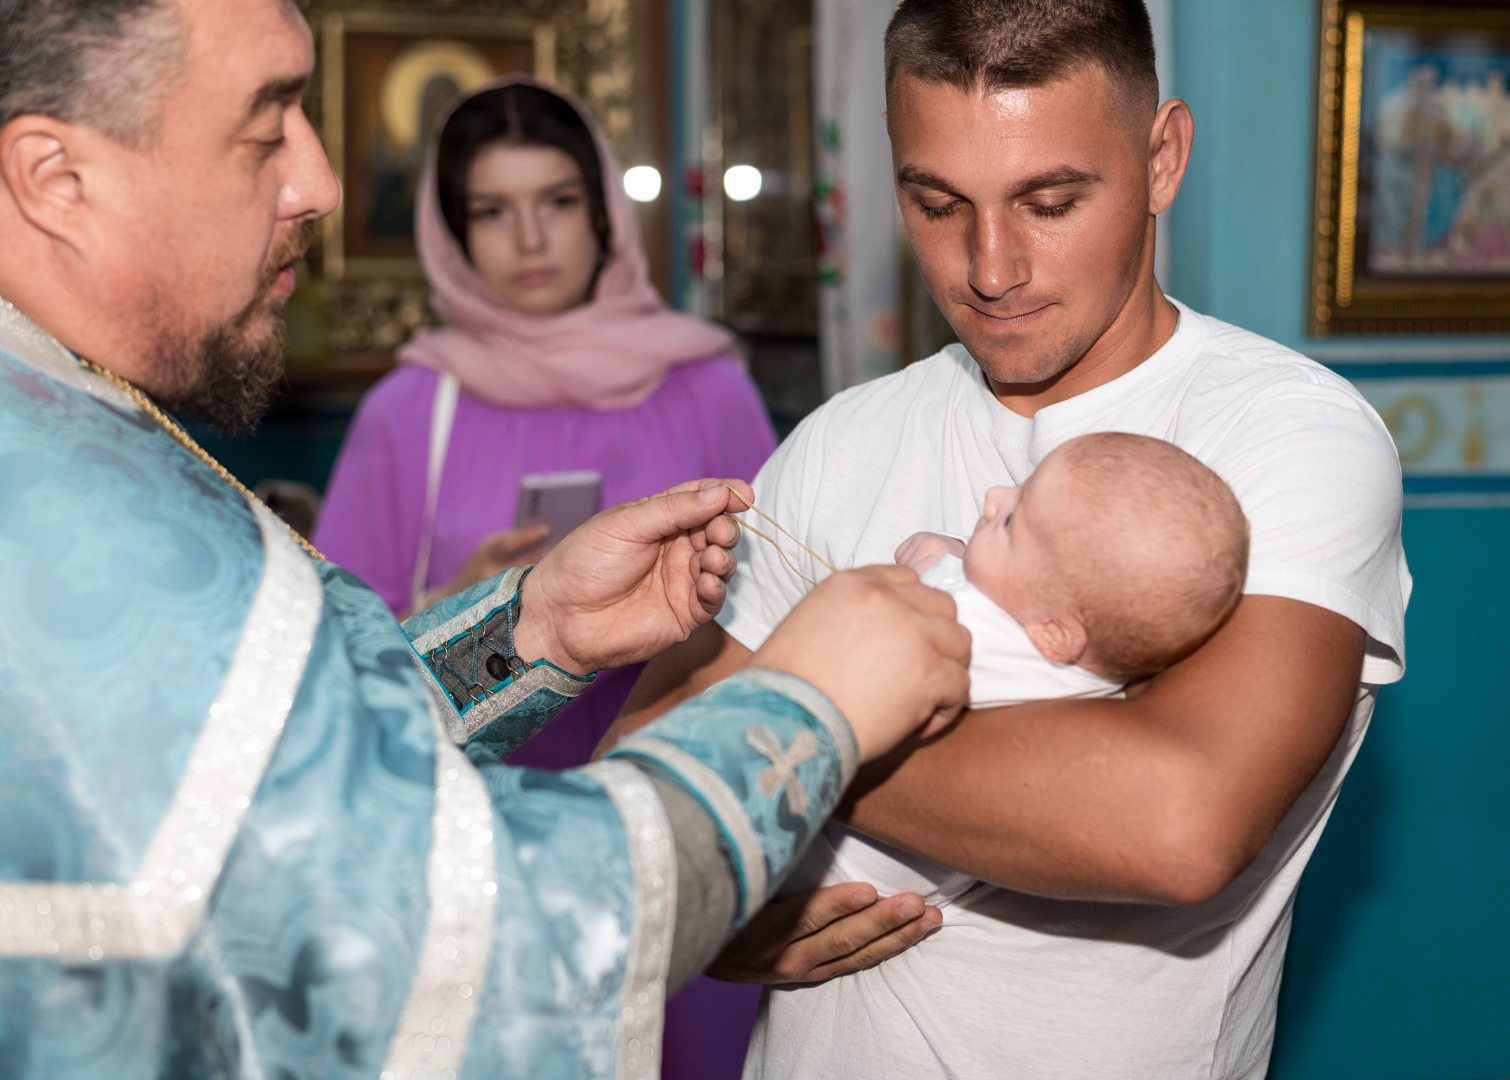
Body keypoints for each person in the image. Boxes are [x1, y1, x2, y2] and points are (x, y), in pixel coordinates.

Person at [0, 3, 971, 1078]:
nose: (321, 182)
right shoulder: (54, 516)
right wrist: (808, 702)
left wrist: (533, 631)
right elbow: (451, 946)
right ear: (56, 179)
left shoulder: (59, 417)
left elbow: (296, 780)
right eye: (267, 124)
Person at [601, 1, 1411, 1077]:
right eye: (936, 203)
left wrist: (773, 765)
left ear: (1162, 157)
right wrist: (702, 897)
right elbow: (634, 807)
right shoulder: (840, 440)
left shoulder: (1287, 434)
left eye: (1050, 200)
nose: (989, 268)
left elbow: (1177, 822)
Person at [314, 75, 776, 774]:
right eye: (493, 211)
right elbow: (331, 642)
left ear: (603, 214)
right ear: (453, 233)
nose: (530, 239)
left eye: (558, 202)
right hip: (473, 807)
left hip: (679, 782)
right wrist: (461, 604)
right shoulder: (410, 409)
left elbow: (784, 598)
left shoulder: (709, 385)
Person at [793, 431, 1250, 911]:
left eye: (1011, 521)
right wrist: (957, 552)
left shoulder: (970, 633)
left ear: (1055, 633)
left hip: (821, 860)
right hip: (894, 875)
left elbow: (865, 656)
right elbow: (1003, 593)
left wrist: (935, 570)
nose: (994, 498)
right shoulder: (1082, 662)